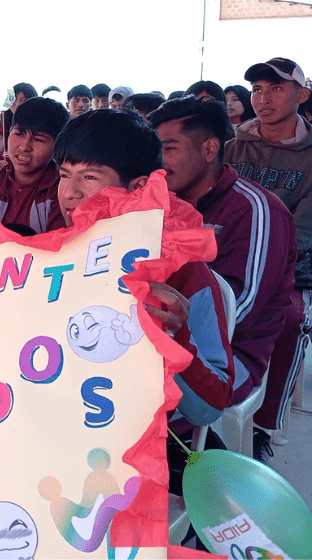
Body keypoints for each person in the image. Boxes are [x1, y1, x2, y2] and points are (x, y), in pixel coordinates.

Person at [51, 109, 235, 434]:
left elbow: (210, 407)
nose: (70, 192)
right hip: (54, 432)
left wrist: (174, 340)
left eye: (90, 177)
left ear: (137, 189)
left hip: (141, 446)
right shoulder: (50, 256)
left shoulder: (185, 272)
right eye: (65, 175)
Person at [149, 97, 296, 462]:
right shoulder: (158, 202)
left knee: (142, 402)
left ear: (210, 148)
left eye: (169, 149)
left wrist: (162, 335)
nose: (159, 162)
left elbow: (239, 310)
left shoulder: (256, 209)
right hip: (168, 335)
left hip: (233, 353)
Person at [224, 57, 312, 459]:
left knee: (292, 319)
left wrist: (265, 267)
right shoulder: (230, 147)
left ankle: (263, 425)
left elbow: (305, 226)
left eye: (277, 88)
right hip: (224, 258)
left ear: (302, 94)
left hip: (286, 267)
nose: (264, 98)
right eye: (258, 89)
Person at [0, 96, 68, 234]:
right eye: (19, 134)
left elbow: (61, 248)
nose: (24, 147)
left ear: (57, 145)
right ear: (9, 132)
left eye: (38, 139)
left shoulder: (63, 193)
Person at [0, 82, 38, 171]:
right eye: (13, 99)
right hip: (0, 174)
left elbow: (31, 156)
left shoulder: (37, 127)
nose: (17, 104)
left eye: (23, 100)